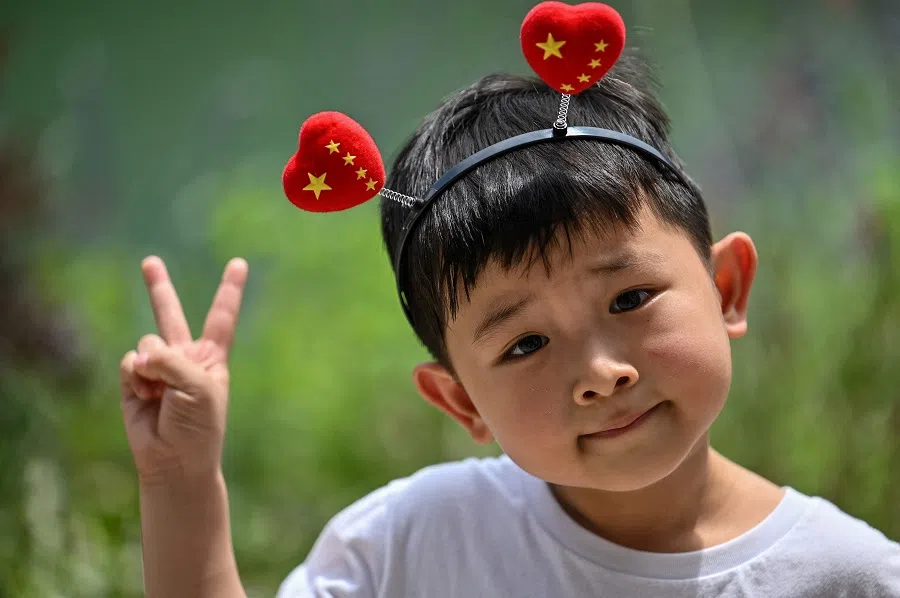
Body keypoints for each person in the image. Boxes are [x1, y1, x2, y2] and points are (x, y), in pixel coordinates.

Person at [119, 53, 900, 597]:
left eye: (629, 299)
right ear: (461, 403)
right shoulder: (413, 543)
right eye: (524, 344)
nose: (601, 372)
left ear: (726, 287)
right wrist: (180, 483)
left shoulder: (849, 578)